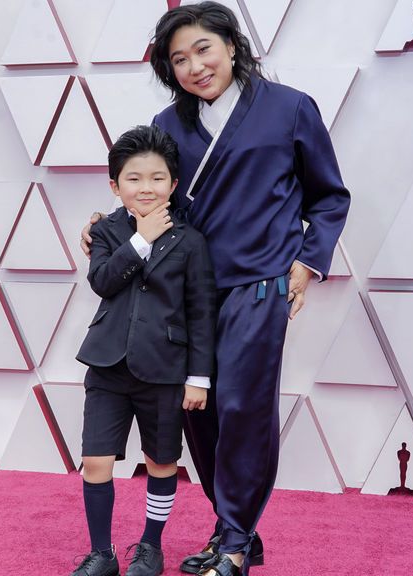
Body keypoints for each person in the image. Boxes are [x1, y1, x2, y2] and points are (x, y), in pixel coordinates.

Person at [80, 4, 350, 575]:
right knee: (197, 414)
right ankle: (237, 530)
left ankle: (231, 544)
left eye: (203, 49)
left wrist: (307, 264)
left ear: (232, 44)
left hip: (259, 283)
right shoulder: (169, 125)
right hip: (185, 293)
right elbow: (154, 192)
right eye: (178, 59)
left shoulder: (291, 108)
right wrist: (107, 224)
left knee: (241, 408)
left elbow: (329, 198)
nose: (195, 66)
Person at [73, 125, 216, 576]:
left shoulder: (191, 242)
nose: (146, 188)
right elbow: (103, 282)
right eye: (133, 179)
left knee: (162, 461)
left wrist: (199, 376)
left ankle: (150, 546)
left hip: (166, 368)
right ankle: (102, 553)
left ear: (174, 184)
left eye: (158, 178)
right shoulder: (106, 231)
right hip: (107, 365)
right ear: (115, 186)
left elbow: (201, 311)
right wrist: (141, 237)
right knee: (95, 460)